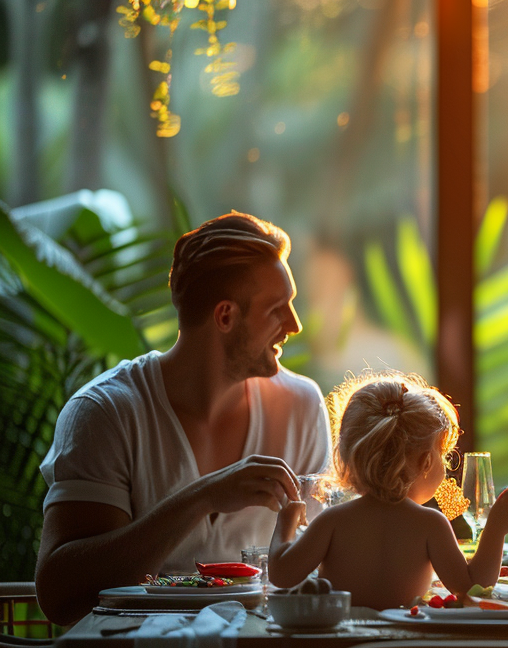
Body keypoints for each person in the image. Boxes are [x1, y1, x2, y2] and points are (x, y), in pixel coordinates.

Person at [35, 213, 325, 625]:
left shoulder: (301, 406)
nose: (294, 325)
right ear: (225, 316)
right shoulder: (106, 412)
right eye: (277, 309)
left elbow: (324, 558)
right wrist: (201, 498)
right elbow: (59, 595)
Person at [268, 374, 508, 609]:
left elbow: (281, 574)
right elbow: (473, 588)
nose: (447, 466)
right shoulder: (430, 524)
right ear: (427, 461)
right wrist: (495, 529)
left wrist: (286, 521)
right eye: (444, 456)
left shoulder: (332, 521)